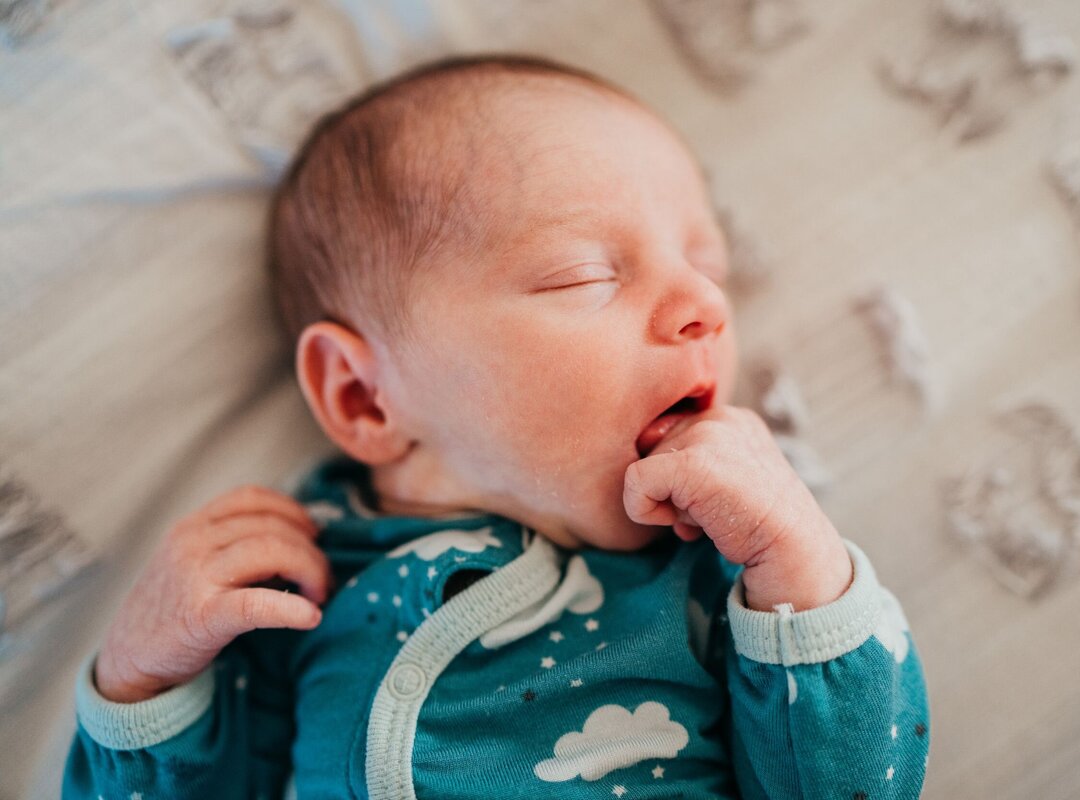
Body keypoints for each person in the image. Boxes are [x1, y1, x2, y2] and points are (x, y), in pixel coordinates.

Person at [63, 55, 929, 799]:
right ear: (366, 397)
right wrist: (142, 679)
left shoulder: (721, 573)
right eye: (584, 274)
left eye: (707, 267)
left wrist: (806, 581)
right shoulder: (291, 581)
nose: (707, 303)